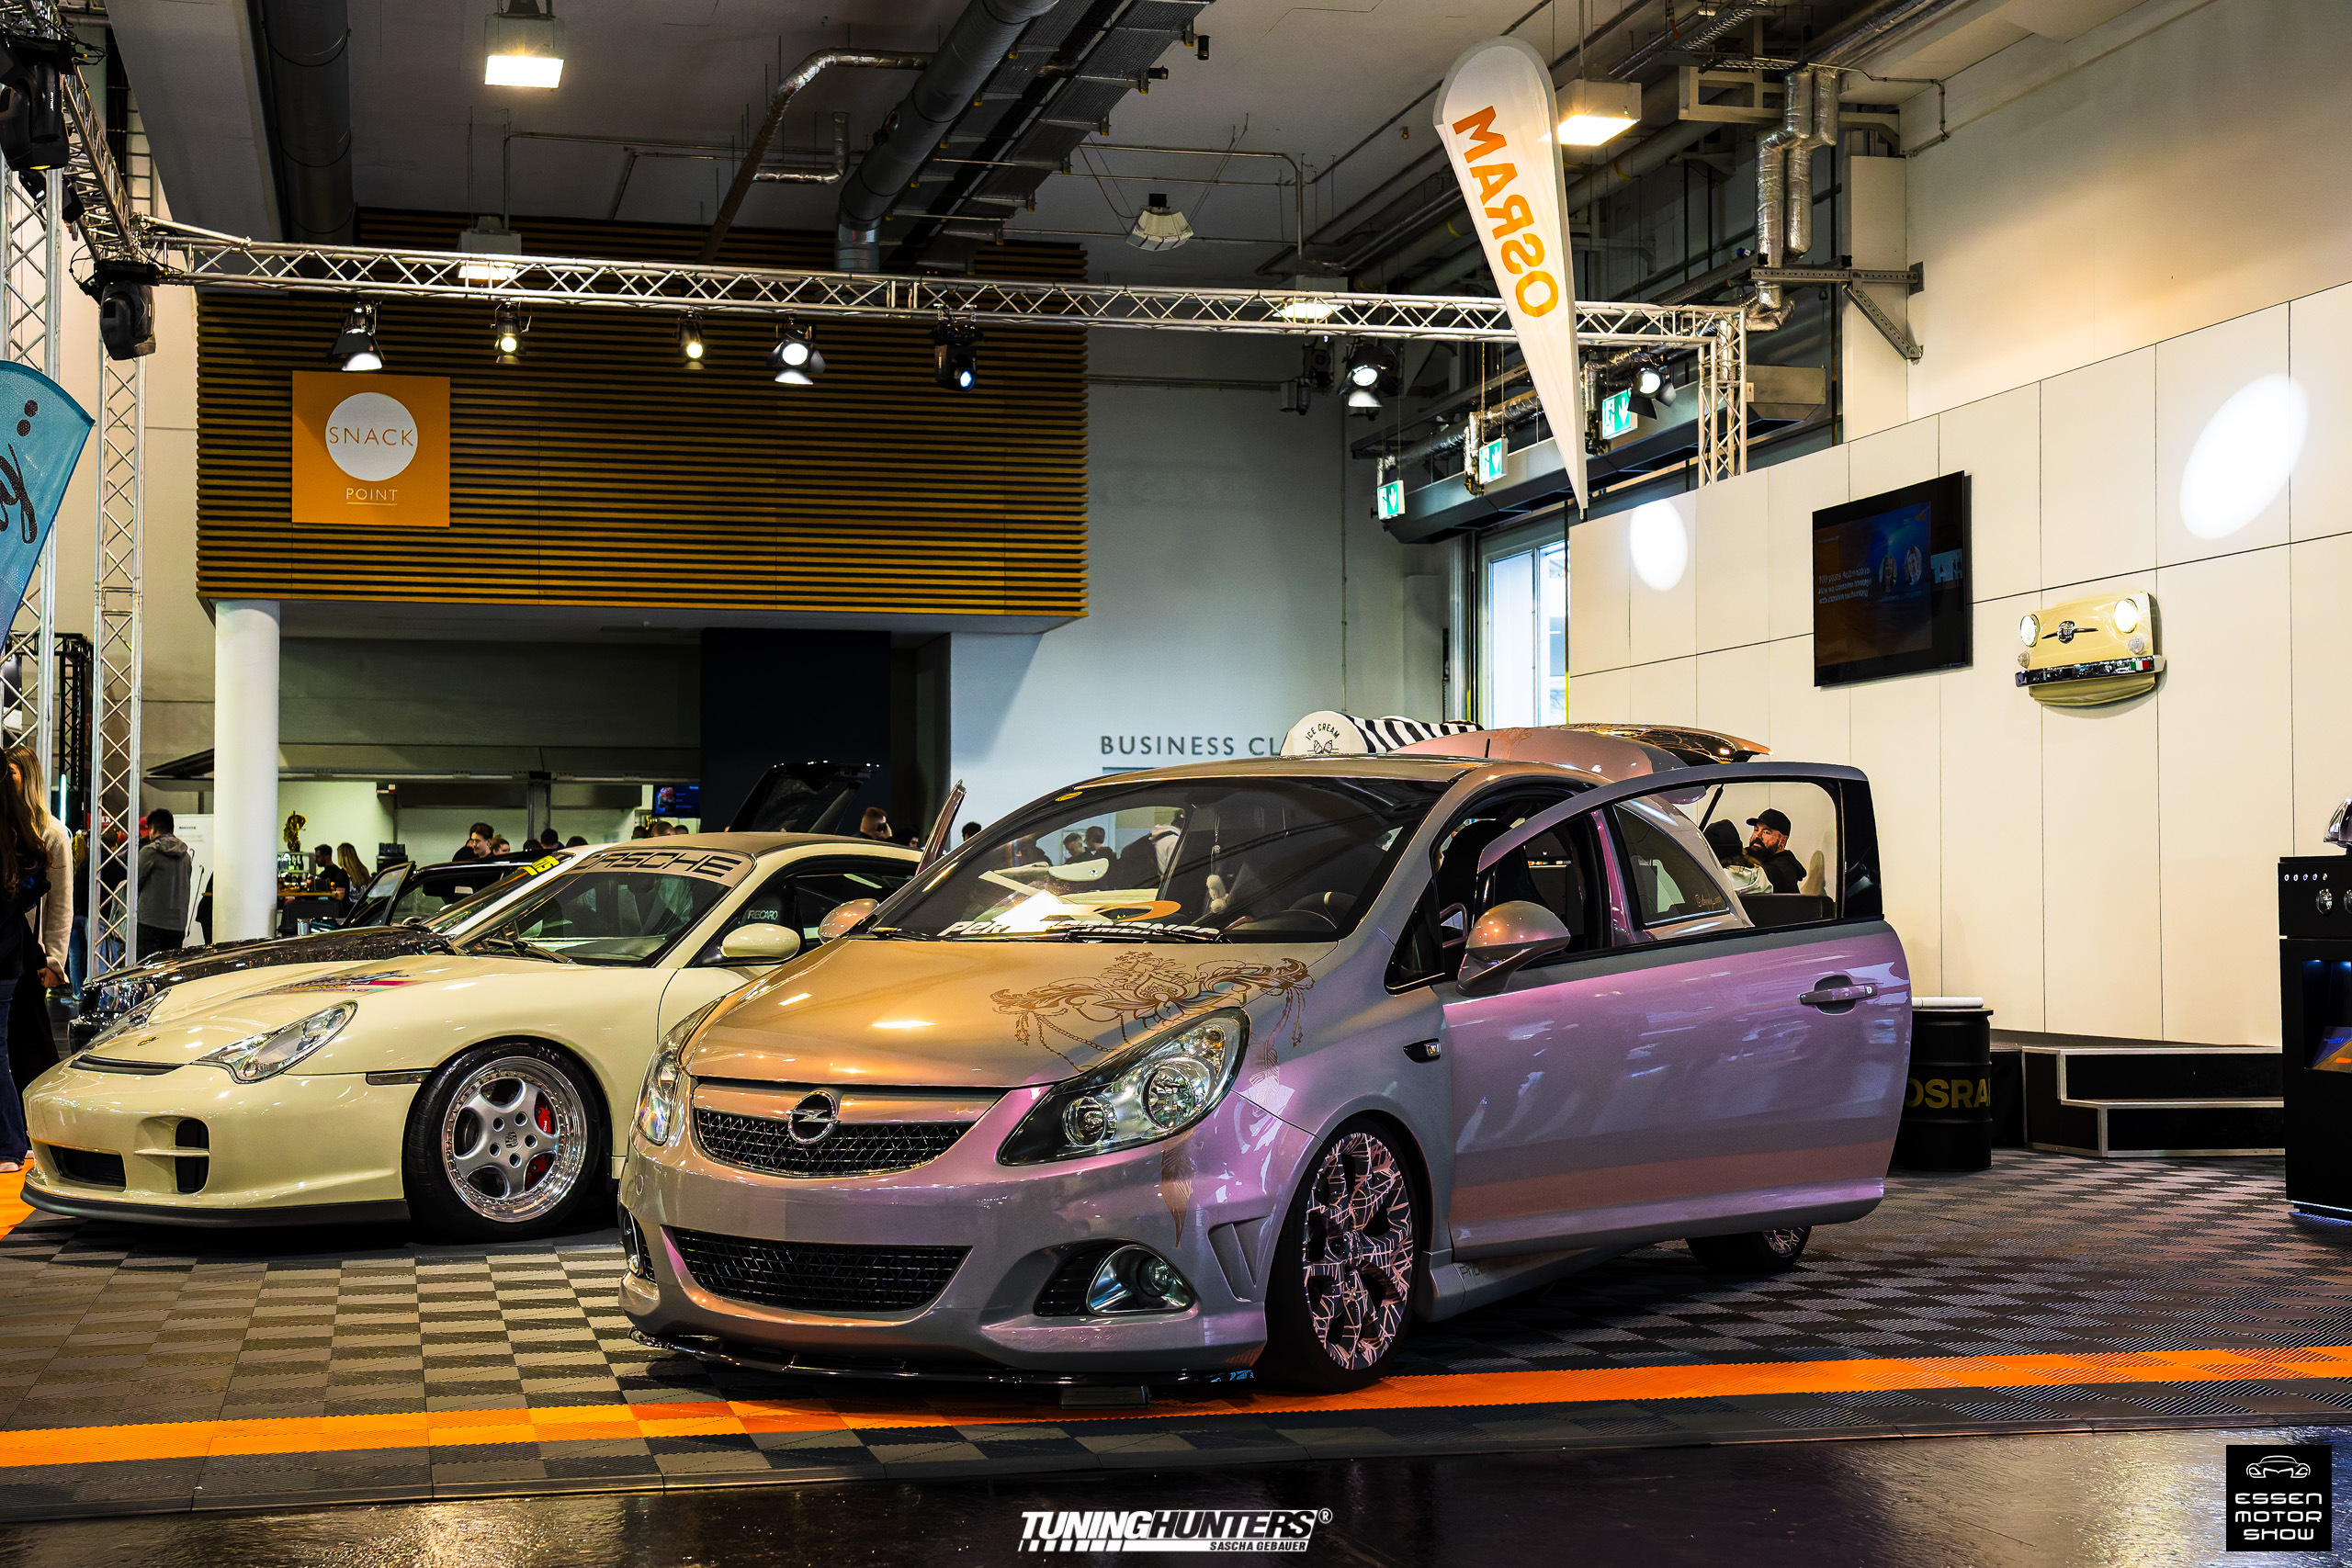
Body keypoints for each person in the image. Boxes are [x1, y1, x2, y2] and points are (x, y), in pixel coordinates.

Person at [3, 748, 65, 1089]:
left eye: (10, 772)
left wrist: (54, 960)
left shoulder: (52, 832)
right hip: (11, 949)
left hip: (31, 959)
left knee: (31, 1051)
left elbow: (60, 904)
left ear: (27, 778)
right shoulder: (6, 827)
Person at [0, 763, 51, 1172]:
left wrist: (55, 957)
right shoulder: (23, 833)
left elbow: (58, 905)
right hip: (10, 956)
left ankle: (11, 1145)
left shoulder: (36, 832)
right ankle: (13, 1144)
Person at [136, 807, 195, 956]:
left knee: (144, 967)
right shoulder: (186, 856)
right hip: (178, 925)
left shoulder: (149, 852)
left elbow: (135, 883)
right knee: (170, 967)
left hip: (149, 923)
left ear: (152, 829)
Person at [1745, 808, 1807, 894]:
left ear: (1782, 841)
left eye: (1766, 832)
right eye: (1756, 830)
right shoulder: (1762, 859)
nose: (1758, 836)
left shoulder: (1782, 869)